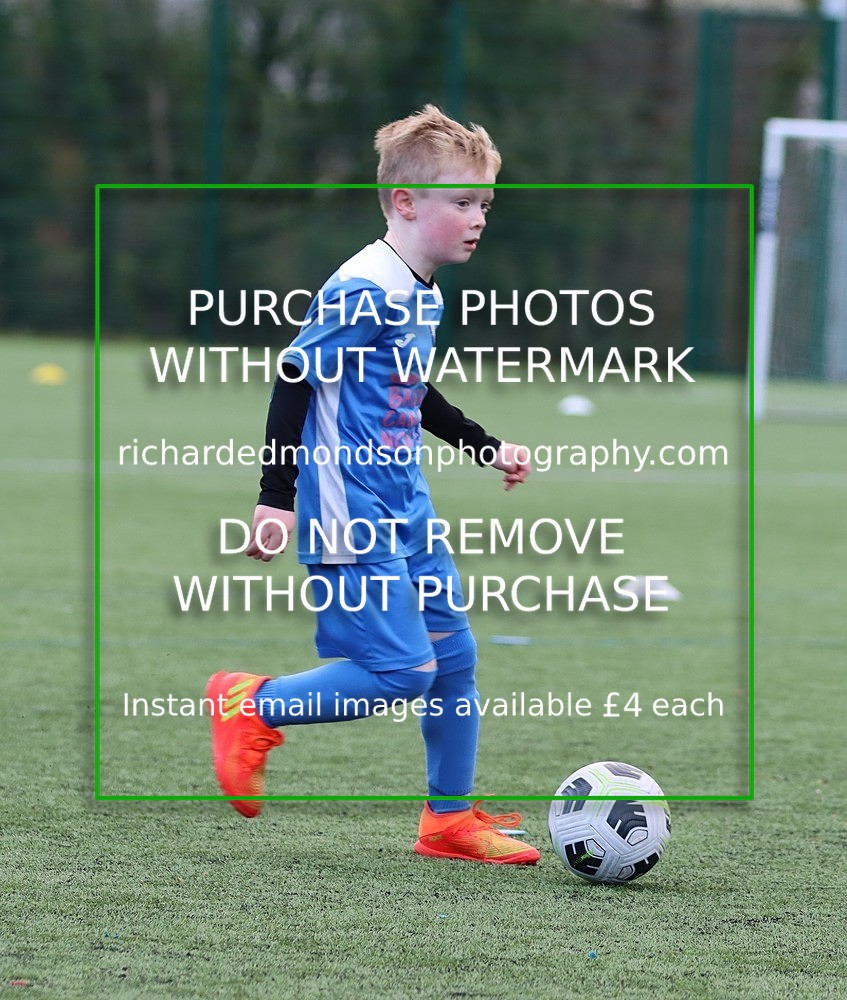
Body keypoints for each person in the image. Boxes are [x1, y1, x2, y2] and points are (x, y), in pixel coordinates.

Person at [206, 105, 540, 864]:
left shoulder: (421, 289)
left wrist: (484, 446)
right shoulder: (365, 287)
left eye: (485, 204)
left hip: (402, 498)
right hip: (344, 503)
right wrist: (275, 497)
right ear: (404, 202)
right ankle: (250, 703)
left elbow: (410, 389)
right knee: (400, 673)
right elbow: (294, 376)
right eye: (462, 202)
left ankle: (448, 821)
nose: (477, 219)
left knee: (453, 661)